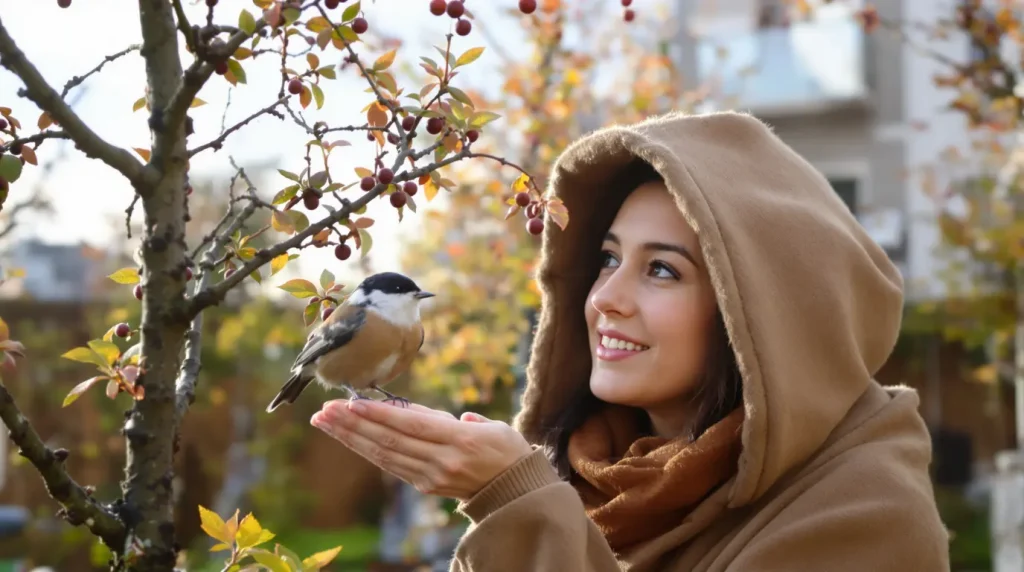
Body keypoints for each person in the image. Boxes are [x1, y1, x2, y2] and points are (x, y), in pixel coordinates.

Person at [309, 110, 952, 570]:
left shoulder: (866, 511)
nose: (604, 297)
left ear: (760, 314)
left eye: (662, 269)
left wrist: (517, 501)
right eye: (608, 258)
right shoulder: (596, 481)